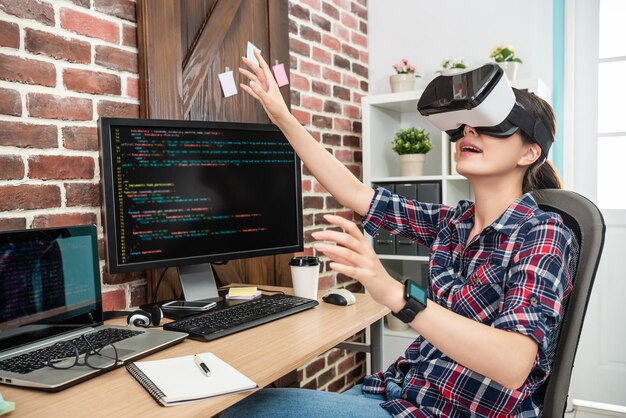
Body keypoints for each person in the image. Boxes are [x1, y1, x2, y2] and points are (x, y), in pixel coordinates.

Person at [221, 50, 578, 417]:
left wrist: (395, 292)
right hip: (400, 391)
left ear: (529, 153)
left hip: (449, 412)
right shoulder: (453, 223)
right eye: (467, 124)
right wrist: (283, 117)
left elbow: (514, 364)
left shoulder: (543, 233)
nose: (470, 131)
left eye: (491, 124)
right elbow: (357, 194)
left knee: (246, 409)